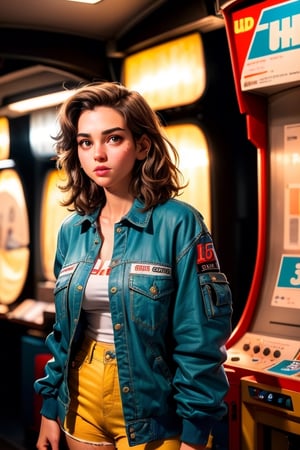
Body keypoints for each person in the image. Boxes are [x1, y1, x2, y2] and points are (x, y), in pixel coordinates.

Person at [34, 81, 232, 450]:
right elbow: (63, 332)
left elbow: (200, 336)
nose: (98, 155)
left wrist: (196, 429)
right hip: (81, 395)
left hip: (152, 403)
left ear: (142, 146)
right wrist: (49, 406)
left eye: (113, 139)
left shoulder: (179, 223)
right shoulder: (71, 230)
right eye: (85, 142)